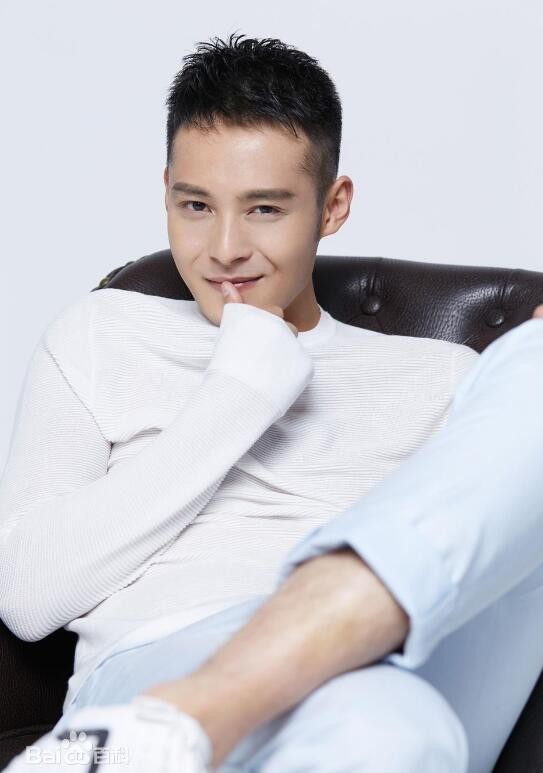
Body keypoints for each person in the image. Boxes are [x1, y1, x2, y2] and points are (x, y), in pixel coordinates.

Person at [2, 31, 543, 773]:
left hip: (395, 661)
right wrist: (242, 389)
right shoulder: (105, 332)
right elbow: (29, 595)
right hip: (162, 654)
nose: (224, 247)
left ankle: (186, 722)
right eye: (196, 205)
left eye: (263, 209)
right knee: (388, 728)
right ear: (166, 191)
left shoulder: (440, 375)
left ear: (333, 205)